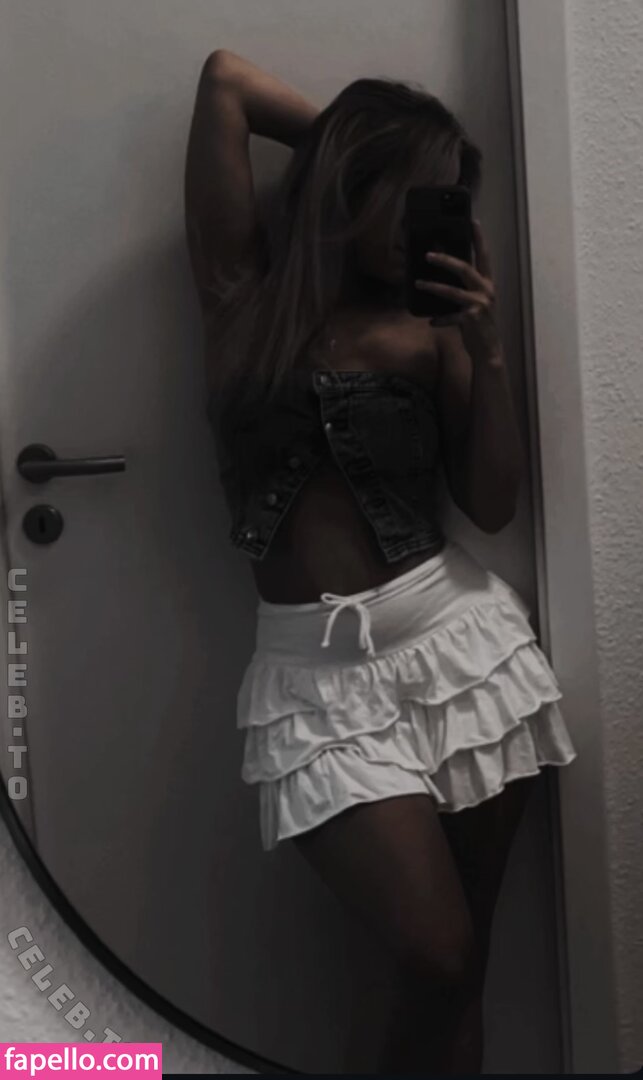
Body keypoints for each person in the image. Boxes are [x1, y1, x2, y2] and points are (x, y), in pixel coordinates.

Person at [184, 48, 578, 1075]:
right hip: (314, 690)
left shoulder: (432, 330)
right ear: (352, 180)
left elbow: (491, 504)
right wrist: (365, 151)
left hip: (461, 655)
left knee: (459, 969)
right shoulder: (241, 296)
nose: (421, 224)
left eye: (442, 203)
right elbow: (226, 83)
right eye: (411, 197)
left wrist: (486, 352)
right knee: (434, 955)